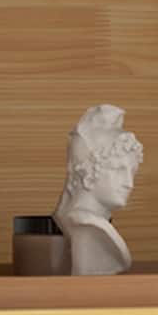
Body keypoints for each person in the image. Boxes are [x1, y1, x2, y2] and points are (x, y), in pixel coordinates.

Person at [53, 104, 144, 275]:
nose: (129, 183)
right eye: (118, 170)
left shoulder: (90, 225)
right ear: (89, 171)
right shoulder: (88, 227)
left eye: (132, 172)